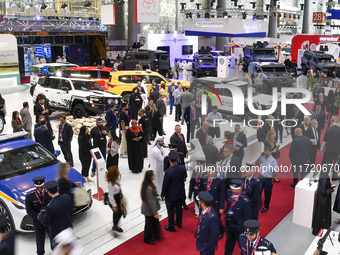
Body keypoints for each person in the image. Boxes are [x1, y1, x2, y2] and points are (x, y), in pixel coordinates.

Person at [38, 181, 73, 249]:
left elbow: (46, 222)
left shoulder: (50, 207)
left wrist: (40, 216)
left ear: (48, 192)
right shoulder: (67, 198)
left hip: (57, 234)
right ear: (57, 188)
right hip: (68, 229)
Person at [161, 152, 187, 232]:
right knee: (179, 208)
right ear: (177, 159)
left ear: (169, 160)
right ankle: (179, 222)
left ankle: (171, 226)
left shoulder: (168, 172)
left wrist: (162, 195)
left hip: (171, 195)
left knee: (170, 210)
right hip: (180, 192)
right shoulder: (182, 168)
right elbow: (185, 178)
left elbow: (165, 185)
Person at [25, 176, 51, 255]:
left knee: (53, 236)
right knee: (39, 238)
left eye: (41, 187)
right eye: (38, 187)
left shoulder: (48, 193)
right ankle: (40, 253)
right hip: (38, 221)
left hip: (49, 219)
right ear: (34, 186)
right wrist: (37, 215)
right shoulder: (30, 196)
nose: (39, 189)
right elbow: (29, 210)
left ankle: (56, 249)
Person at [224, 179, 251, 255]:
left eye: (236, 189)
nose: (233, 191)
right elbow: (229, 205)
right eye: (233, 188)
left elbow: (247, 217)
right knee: (228, 247)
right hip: (229, 225)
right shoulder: (229, 193)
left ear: (241, 189)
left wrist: (245, 230)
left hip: (239, 228)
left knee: (243, 247)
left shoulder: (245, 200)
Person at [201, 169, 225, 240]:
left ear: (215, 171)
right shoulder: (204, 179)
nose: (209, 172)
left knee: (216, 219)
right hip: (205, 203)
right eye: (208, 170)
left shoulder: (220, 180)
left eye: (211, 170)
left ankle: (220, 231)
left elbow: (222, 194)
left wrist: (221, 207)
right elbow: (202, 190)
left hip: (215, 203)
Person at [254, 146, 278, 213]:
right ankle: (257, 204)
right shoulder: (262, 158)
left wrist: (272, 181)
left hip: (268, 179)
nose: (265, 152)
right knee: (257, 192)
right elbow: (256, 163)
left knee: (267, 194)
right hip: (261, 177)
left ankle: (266, 206)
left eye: (266, 151)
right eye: (264, 150)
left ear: (270, 152)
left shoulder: (274, 161)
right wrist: (259, 157)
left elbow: (275, 172)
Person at [312, 169, 336, 235]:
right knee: (323, 216)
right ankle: (322, 230)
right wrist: (332, 189)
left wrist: (329, 187)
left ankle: (318, 230)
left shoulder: (322, 177)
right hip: (324, 201)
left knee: (319, 215)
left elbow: (323, 188)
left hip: (321, 200)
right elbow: (324, 191)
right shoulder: (325, 179)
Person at [141, 170, 160, 245]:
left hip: (149, 209)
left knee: (152, 223)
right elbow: (151, 202)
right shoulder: (149, 188)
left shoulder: (148, 184)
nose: (155, 175)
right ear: (150, 177)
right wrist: (155, 212)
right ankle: (147, 238)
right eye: (153, 174)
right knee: (149, 224)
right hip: (149, 210)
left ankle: (155, 235)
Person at [107, 166, 124, 233]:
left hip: (118, 197)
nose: (118, 172)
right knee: (117, 212)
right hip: (114, 199)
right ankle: (115, 226)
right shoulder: (111, 183)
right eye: (117, 171)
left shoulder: (116, 179)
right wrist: (114, 205)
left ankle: (115, 224)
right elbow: (110, 195)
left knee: (120, 212)